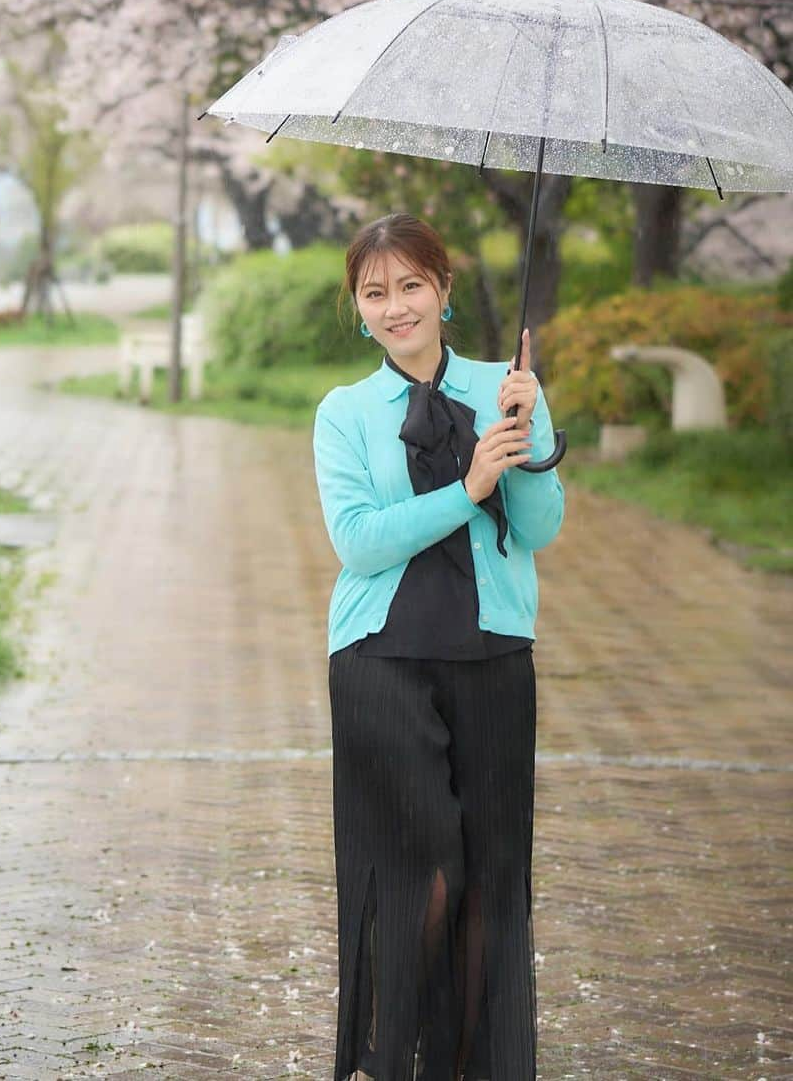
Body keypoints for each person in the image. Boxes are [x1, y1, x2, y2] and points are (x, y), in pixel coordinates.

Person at [312, 213, 565, 1081]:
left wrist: (527, 446)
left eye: (411, 286)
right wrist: (467, 488)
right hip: (380, 663)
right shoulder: (343, 412)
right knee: (425, 881)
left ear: (445, 291)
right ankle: (396, 1065)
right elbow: (360, 542)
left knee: (492, 886)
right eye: (375, 293)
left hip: (494, 659)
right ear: (357, 308)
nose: (395, 307)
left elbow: (542, 528)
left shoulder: (510, 386)